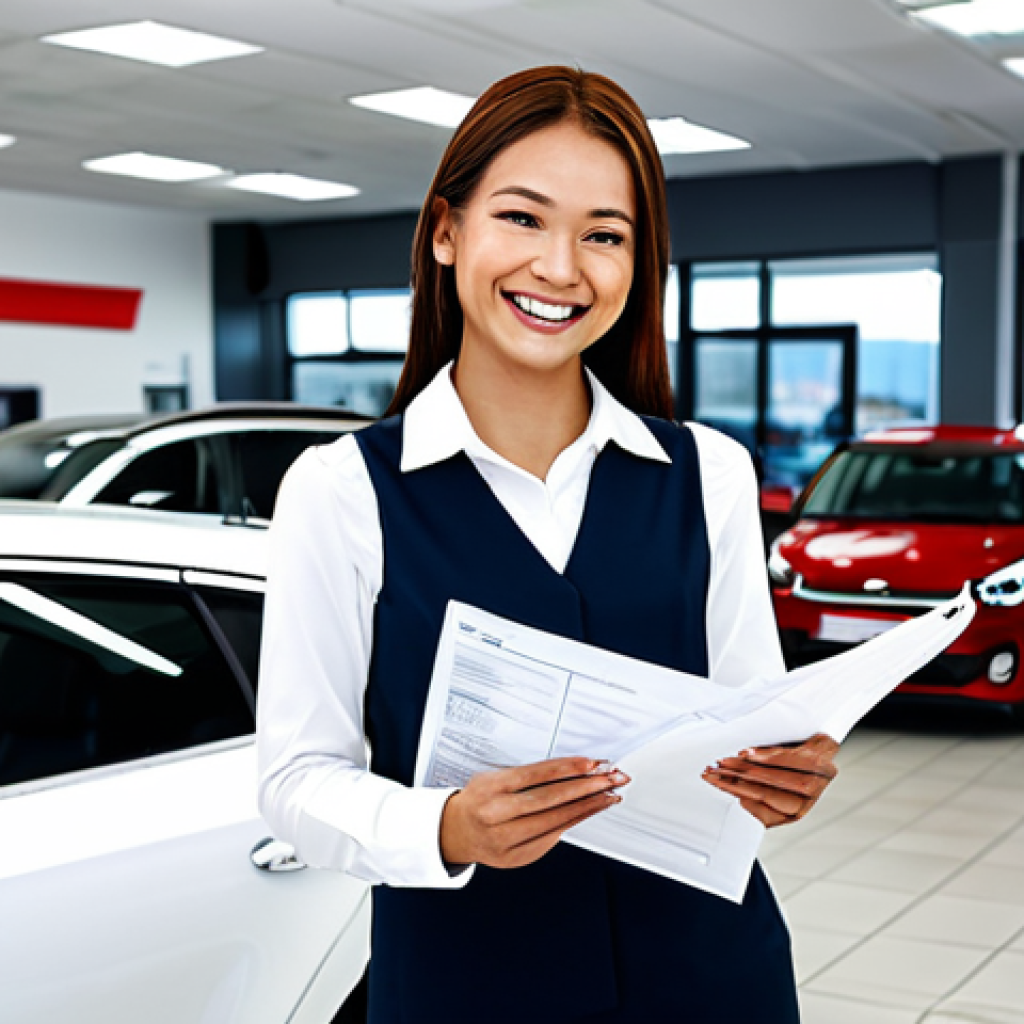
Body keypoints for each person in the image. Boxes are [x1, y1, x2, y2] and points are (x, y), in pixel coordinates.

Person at [257, 65, 839, 1024]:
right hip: (468, 982)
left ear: (637, 265)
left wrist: (785, 774)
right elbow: (295, 783)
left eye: (603, 235)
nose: (561, 268)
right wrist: (444, 824)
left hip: (708, 977)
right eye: (522, 219)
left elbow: (752, 722)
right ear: (447, 233)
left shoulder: (710, 475)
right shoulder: (341, 489)